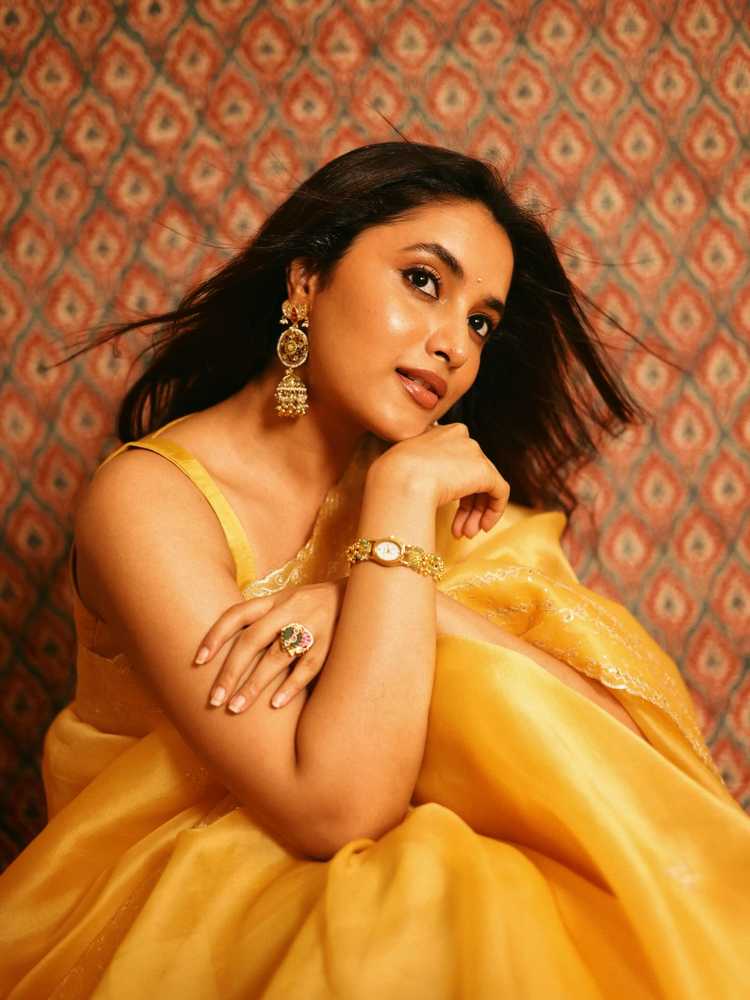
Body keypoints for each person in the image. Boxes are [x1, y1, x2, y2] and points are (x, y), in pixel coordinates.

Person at [1, 141, 748, 998]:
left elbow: (630, 749)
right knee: (437, 901)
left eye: (481, 323)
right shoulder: (148, 501)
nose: (454, 345)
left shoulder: (435, 490)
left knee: (484, 895)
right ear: (306, 279)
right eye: (424, 281)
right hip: (175, 902)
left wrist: (380, 595)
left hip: (379, 870)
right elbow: (334, 809)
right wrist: (395, 514)